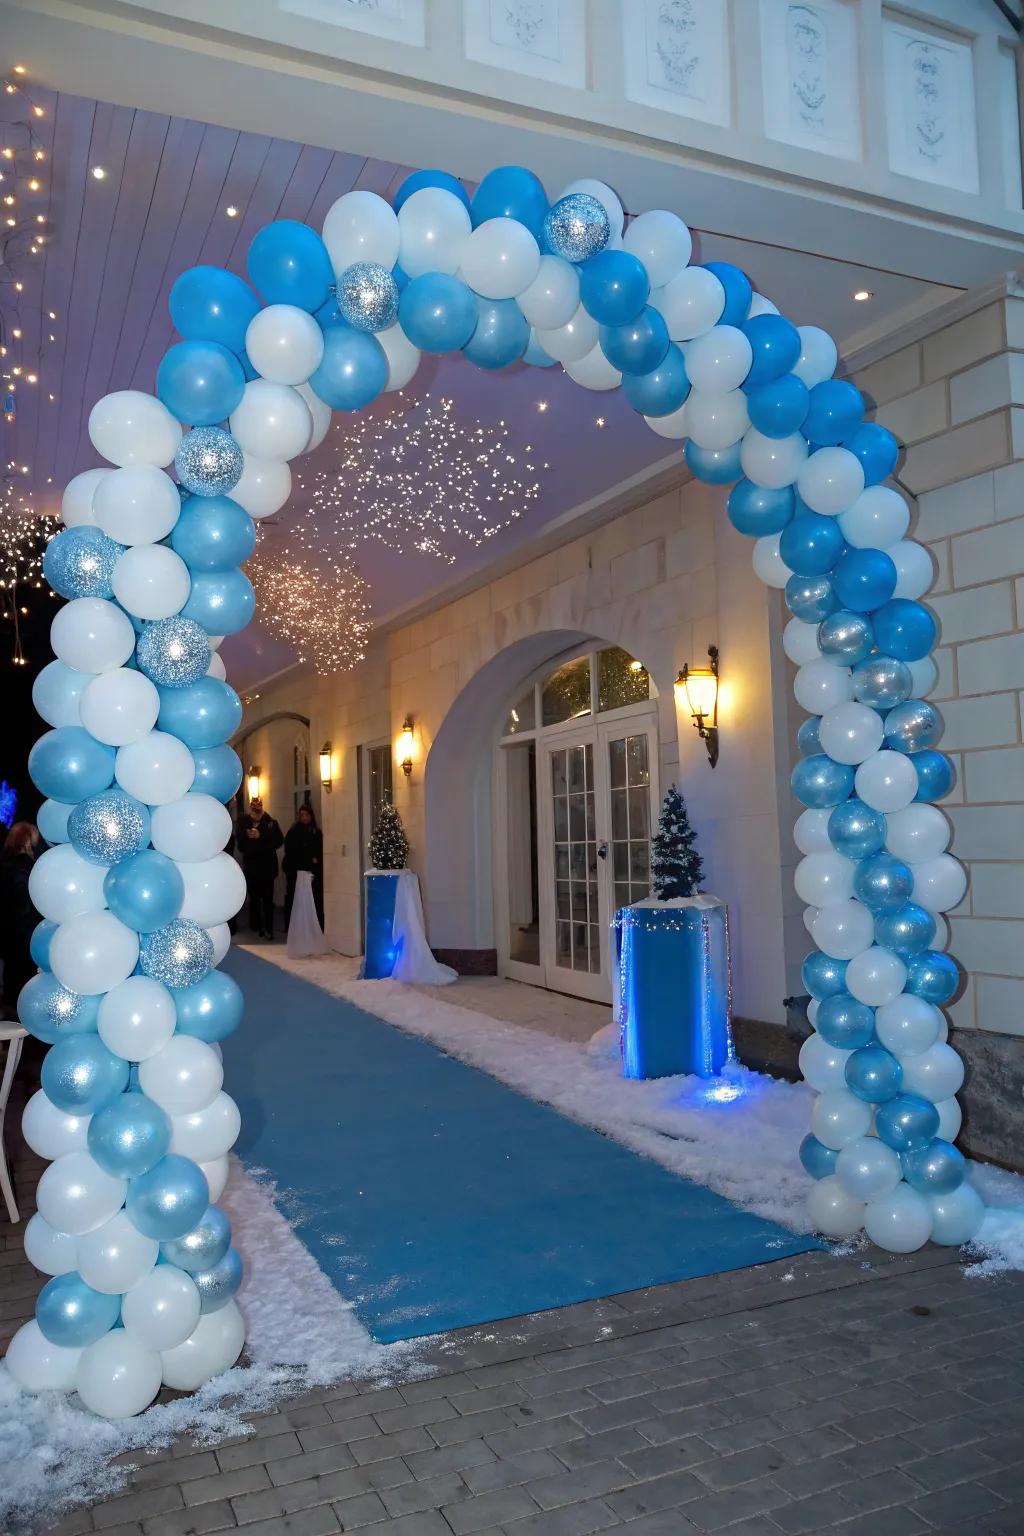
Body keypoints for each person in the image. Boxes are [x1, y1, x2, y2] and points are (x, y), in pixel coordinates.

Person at [0, 821, 40, 1017]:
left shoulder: (4, 863)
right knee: (22, 978)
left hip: (6, 930)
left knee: (9, 978)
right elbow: (26, 904)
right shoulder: (28, 868)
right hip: (23, 931)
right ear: (28, 842)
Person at [236, 797, 283, 939]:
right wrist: (249, 838)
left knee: (268, 899)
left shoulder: (271, 823)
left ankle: (268, 928)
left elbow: (278, 841)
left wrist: (260, 836)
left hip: (267, 868)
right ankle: (255, 925)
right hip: (252, 866)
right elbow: (241, 844)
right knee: (254, 898)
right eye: (253, 810)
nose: (255, 813)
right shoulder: (244, 822)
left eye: (258, 810)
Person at [283, 802, 324, 929]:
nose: (304, 818)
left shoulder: (316, 832)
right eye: (302, 815)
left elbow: (318, 850)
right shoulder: (294, 831)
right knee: (297, 899)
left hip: (312, 871)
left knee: (313, 899)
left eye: (307, 815)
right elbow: (291, 851)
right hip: (298, 870)